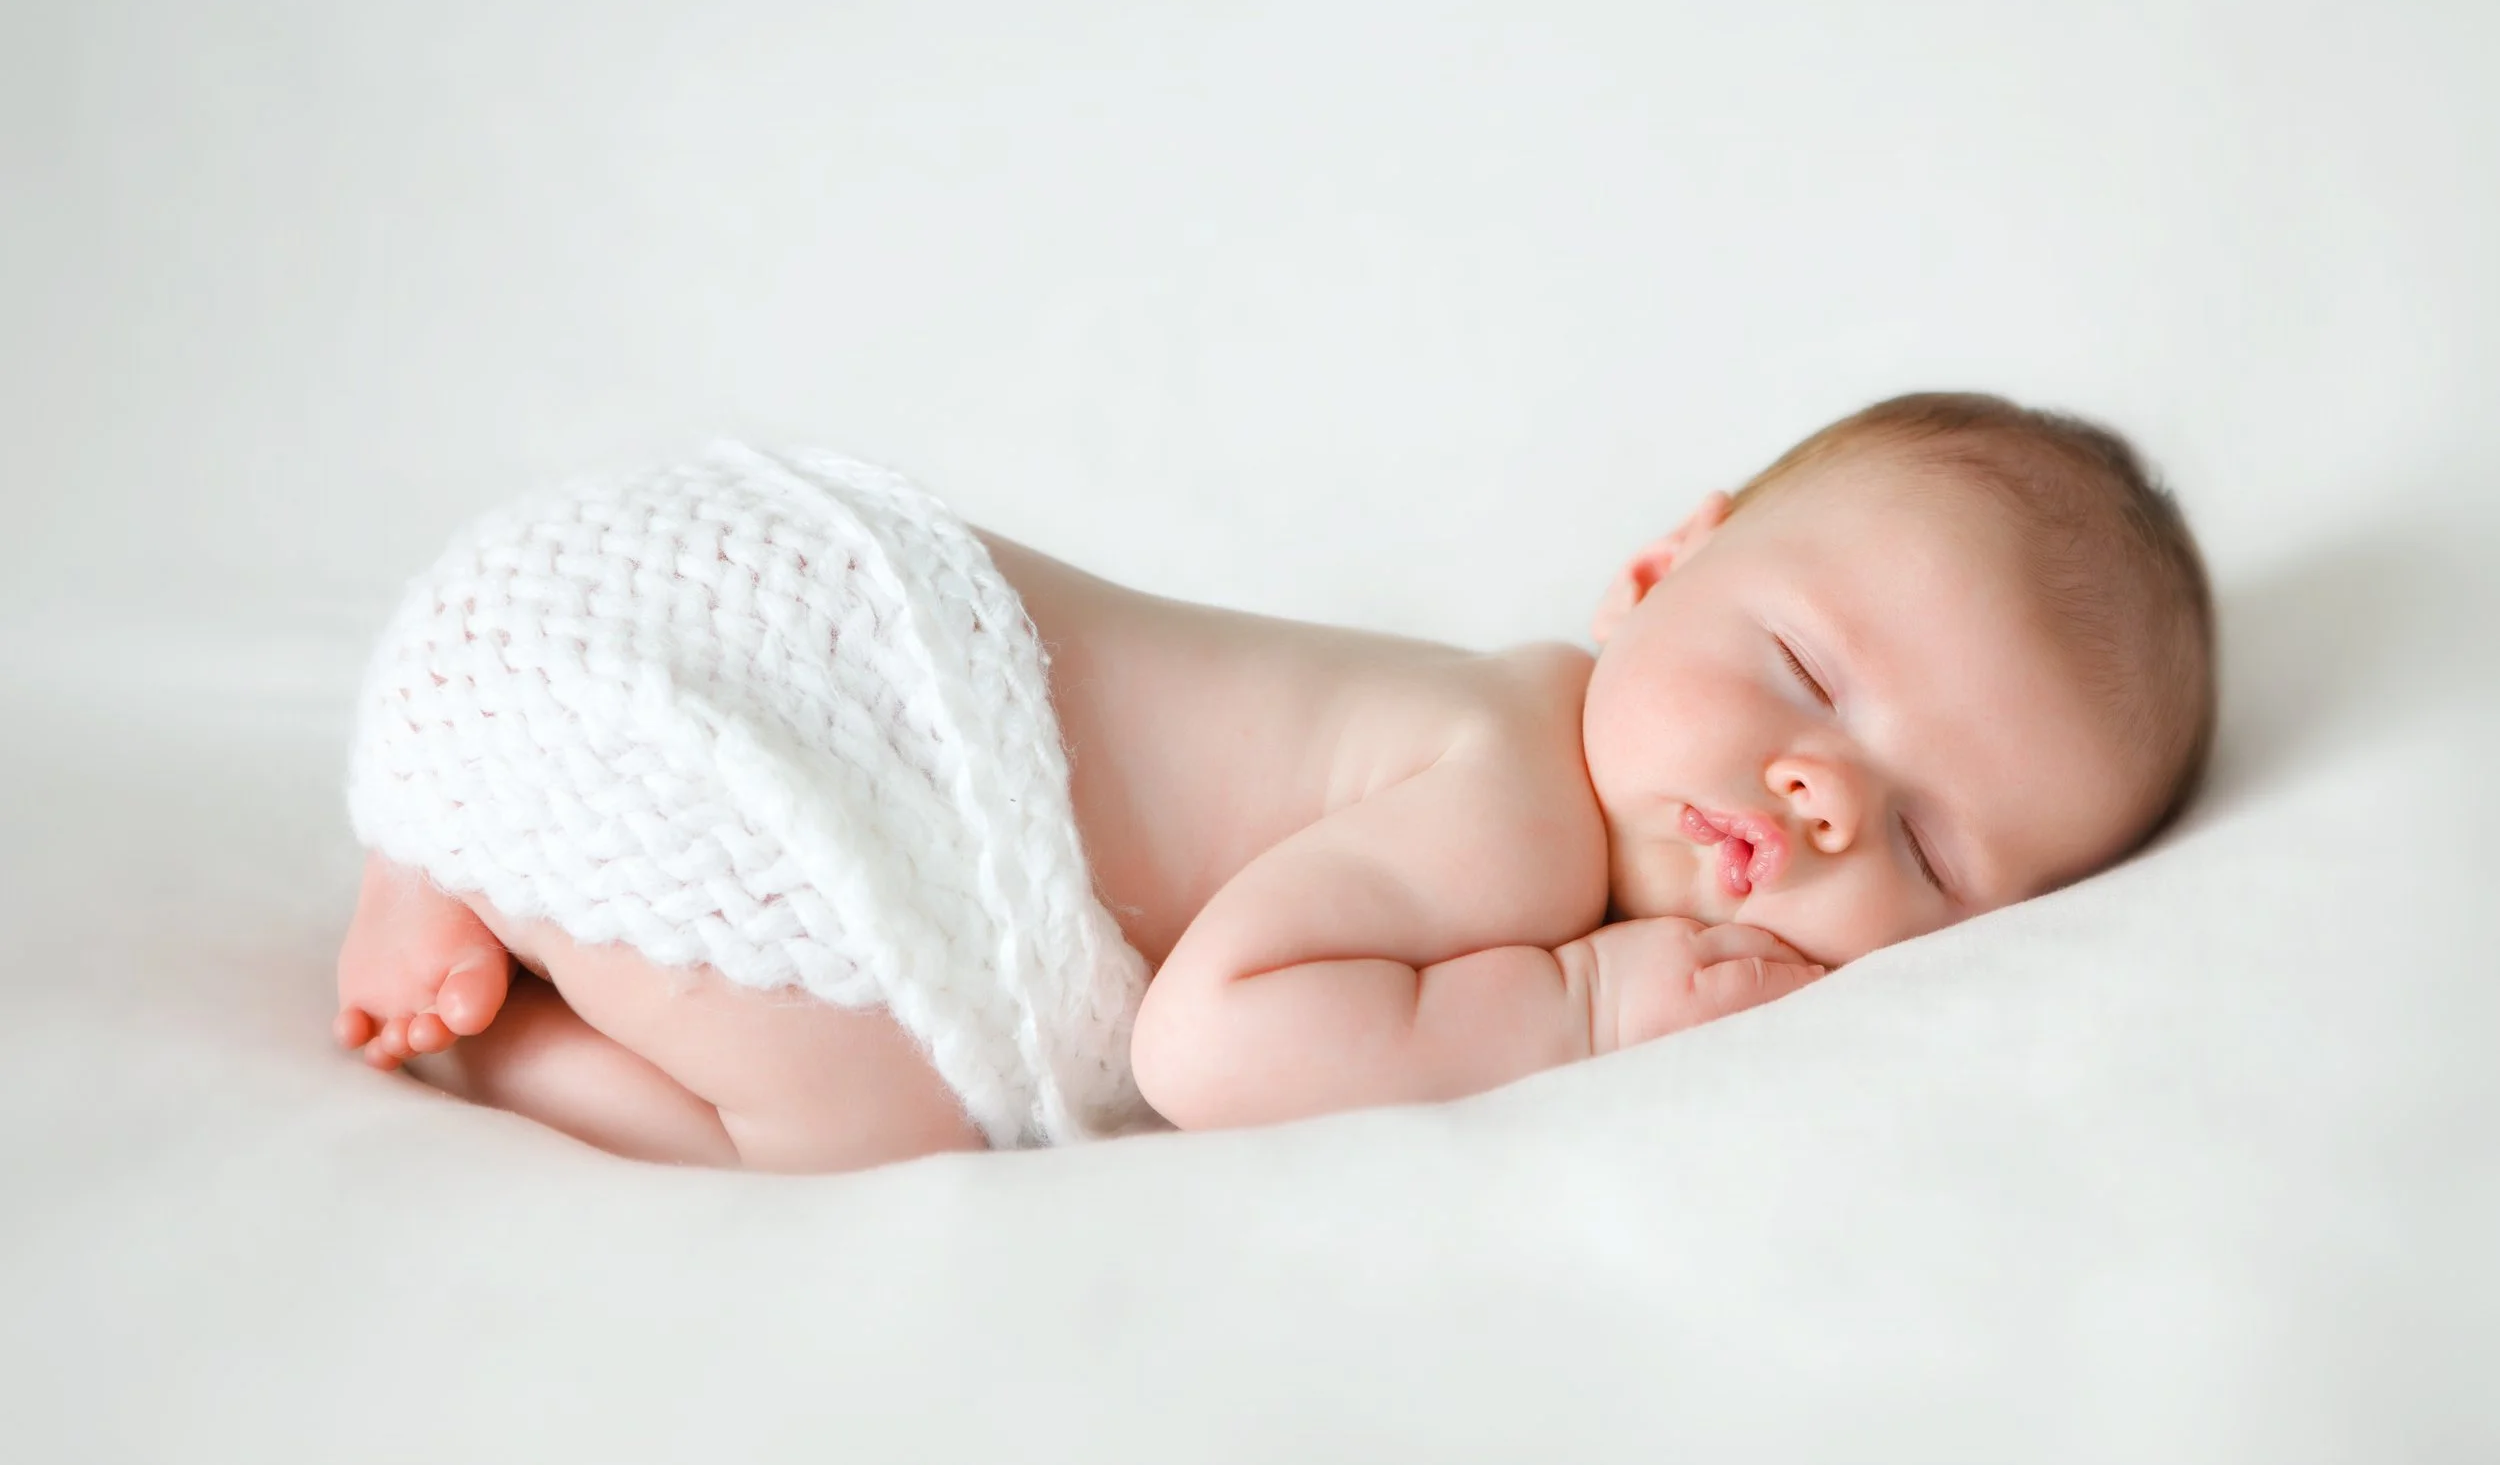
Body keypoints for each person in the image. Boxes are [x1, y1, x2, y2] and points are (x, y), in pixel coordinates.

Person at [333, 391, 2215, 1171]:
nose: (1817, 795)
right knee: (858, 1127)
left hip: (614, 597)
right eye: (1804, 675)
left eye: (1926, 845)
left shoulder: (1481, 728)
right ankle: (490, 1011)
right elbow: (1205, 1048)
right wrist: (1582, 1003)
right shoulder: (1507, 794)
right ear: (1654, 572)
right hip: (756, 678)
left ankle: (452, 844)